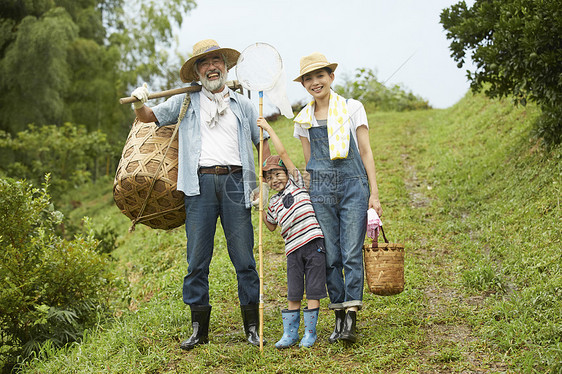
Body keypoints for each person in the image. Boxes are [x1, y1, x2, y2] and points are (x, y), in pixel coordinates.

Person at [130, 39, 271, 350]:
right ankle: (199, 329)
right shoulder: (185, 102)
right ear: (196, 71)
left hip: (236, 184)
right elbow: (148, 117)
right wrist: (139, 102)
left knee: (244, 259)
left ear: (225, 65)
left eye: (216, 60)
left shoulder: (243, 105)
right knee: (197, 261)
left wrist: (262, 181)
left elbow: (261, 142)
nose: (211, 67)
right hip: (199, 186)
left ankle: (252, 326)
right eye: (204, 63)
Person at [292, 52, 383, 344]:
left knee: (352, 251)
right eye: (309, 78)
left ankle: (352, 317)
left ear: (331, 77)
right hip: (321, 190)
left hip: (354, 185)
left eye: (321, 75)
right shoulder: (303, 119)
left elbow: (366, 151)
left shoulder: (353, 108)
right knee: (330, 255)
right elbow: (309, 164)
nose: (315, 82)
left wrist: (374, 193)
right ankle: (339, 315)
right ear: (304, 84)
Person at [256, 118, 327, 349]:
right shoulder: (274, 202)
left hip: (313, 243)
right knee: (294, 291)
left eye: (278, 174)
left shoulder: (296, 183)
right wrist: (259, 206)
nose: (274, 179)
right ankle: (290, 334)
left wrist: (268, 129)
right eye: (269, 177)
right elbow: (270, 225)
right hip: (292, 250)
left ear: (287, 173)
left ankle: (310, 333)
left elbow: (283, 152)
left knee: (314, 289)